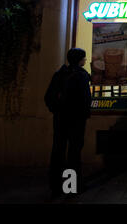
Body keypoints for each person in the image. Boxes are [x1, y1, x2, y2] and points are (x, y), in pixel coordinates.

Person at [44, 48, 91, 197]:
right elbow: (85, 99)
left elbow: (48, 97)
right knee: (73, 153)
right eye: (84, 58)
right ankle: (70, 186)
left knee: (58, 150)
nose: (85, 60)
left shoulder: (59, 74)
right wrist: (84, 115)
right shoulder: (82, 76)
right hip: (76, 120)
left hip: (60, 119)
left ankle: (56, 186)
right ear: (79, 60)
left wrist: (56, 111)